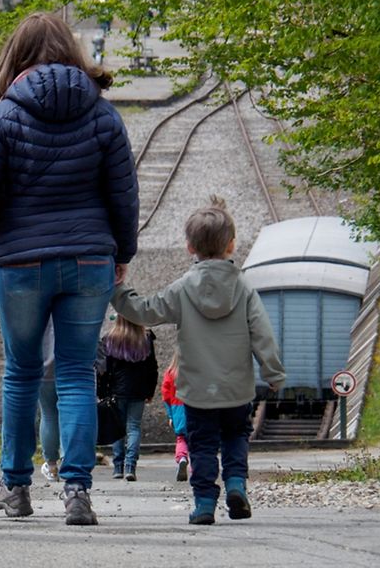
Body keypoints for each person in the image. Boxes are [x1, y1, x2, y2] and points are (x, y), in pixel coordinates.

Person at [0, 11, 139, 526]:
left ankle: (16, 488)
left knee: (20, 373)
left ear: (13, 57)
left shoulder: (3, 117)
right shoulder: (103, 116)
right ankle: (78, 490)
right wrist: (121, 253)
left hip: (20, 264)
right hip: (89, 261)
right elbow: (123, 197)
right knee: (78, 374)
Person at [112, 197, 285, 526]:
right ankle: (236, 484)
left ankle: (205, 502)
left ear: (190, 247)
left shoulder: (182, 289)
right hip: (237, 388)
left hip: (196, 389)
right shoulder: (244, 288)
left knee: (202, 444)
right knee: (235, 436)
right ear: (232, 244)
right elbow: (263, 333)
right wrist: (273, 371)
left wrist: (117, 291)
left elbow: (145, 310)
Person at [96, 315, 157, 481]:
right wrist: (150, 390)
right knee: (134, 427)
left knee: (118, 428)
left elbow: (104, 369)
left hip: (116, 391)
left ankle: (118, 467)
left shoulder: (110, 338)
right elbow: (152, 367)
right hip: (139, 389)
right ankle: (131, 466)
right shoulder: (145, 338)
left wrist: (102, 392)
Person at [37, 320, 61, 482]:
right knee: (70, 413)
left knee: (48, 415)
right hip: (71, 368)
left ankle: (52, 467)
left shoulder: (37, 302)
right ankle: (70, 461)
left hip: (44, 368)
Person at [162, 355, 190, 482]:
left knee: (181, 439)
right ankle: (196, 468)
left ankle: (182, 458)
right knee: (197, 440)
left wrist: (170, 415)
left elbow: (166, 396)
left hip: (178, 410)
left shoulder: (171, 373)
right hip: (195, 408)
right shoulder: (196, 370)